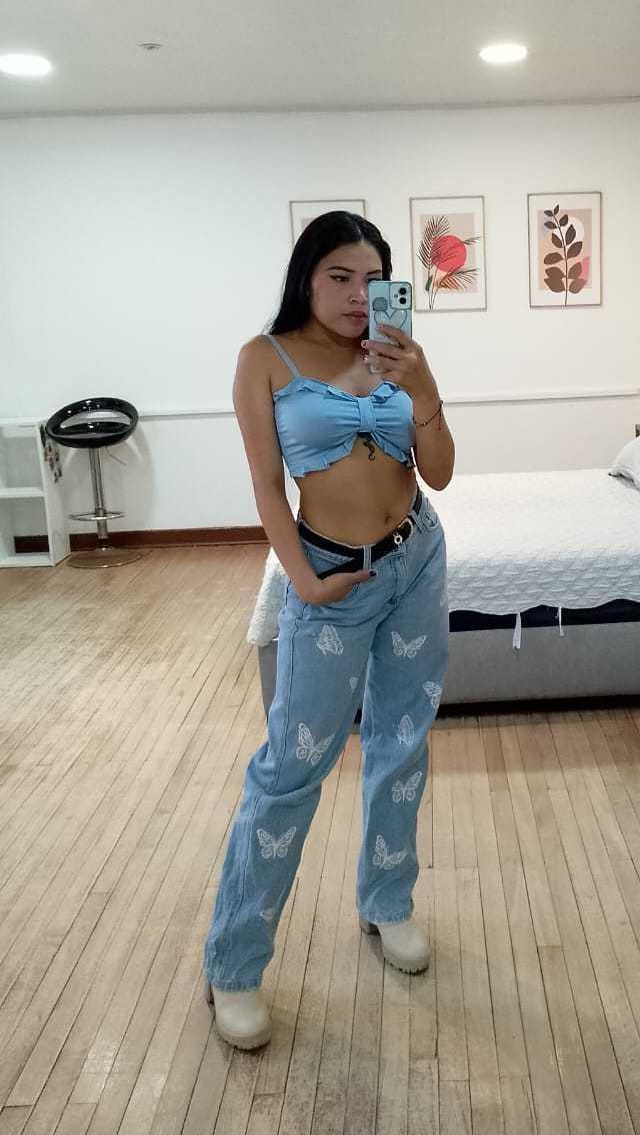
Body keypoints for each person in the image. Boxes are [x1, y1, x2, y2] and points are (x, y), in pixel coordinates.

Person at [202, 212, 454, 1050]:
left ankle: (387, 902)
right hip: (332, 579)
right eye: (339, 276)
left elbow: (441, 472)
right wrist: (303, 582)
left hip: (415, 556)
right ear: (306, 277)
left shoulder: (396, 354)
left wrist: (423, 391)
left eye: (372, 279)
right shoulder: (263, 359)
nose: (357, 295)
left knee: (401, 740)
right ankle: (234, 962)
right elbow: (267, 487)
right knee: (290, 768)